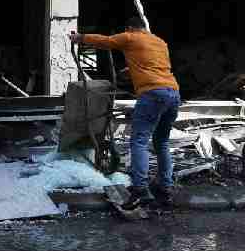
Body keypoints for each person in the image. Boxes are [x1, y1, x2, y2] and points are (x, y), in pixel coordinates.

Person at [70, 17, 180, 209]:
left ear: (130, 28)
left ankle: (140, 190)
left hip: (152, 94)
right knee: (162, 142)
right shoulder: (160, 42)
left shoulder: (130, 37)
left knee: (139, 141)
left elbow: (106, 42)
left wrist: (81, 37)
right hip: (173, 93)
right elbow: (155, 65)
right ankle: (166, 188)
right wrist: (130, 71)